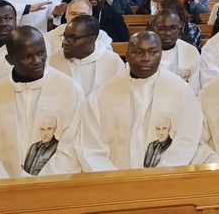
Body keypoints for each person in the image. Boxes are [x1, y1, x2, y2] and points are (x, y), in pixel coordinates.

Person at [0, 27, 84, 180]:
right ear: (10, 59)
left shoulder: (69, 90)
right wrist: (10, 181)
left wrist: (37, 182)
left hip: (54, 185)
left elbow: (71, 148)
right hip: (4, 188)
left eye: (41, 53)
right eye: (27, 57)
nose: (37, 61)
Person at [78, 31, 203, 170]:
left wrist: (159, 177)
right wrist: (113, 179)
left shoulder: (181, 91)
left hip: (165, 181)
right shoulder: (100, 97)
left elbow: (186, 140)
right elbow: (90, 147)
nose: (146, 58)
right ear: (127, 56)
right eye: (138, 53)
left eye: (153, 52)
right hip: (113, 183)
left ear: (161, 55)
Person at [48, 15, 124, 95]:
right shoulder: (53, 60)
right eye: (65, 37)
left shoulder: (113, 62)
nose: (65, 42)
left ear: (91, 39)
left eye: (73, 38)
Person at [151, 8, 201, 93]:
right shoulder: (145, 51)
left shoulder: (190, 51)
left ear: (180, 28)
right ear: (155, 28)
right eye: (162, 29)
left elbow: (194, 88)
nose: (168, 33)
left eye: (173, 28)